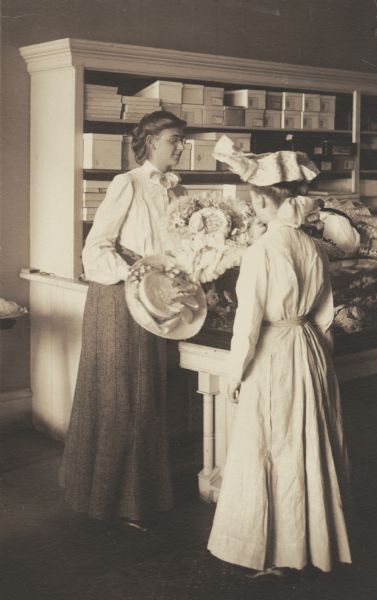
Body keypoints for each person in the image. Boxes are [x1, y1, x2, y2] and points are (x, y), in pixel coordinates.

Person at [207, 137, 352, 576]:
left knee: (270, 445)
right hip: (308, 349)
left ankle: (272, 549)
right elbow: (325, 316)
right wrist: (318, 359)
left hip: (273, 352)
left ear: (261, 201)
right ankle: (310, 545)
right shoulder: (312, 247)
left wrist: (235, 373)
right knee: (308, 443)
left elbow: (248, 324)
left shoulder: (261, 252)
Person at [59, 111, 187, 525]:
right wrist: (133, 276)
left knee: (146, 396)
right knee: (121, 397)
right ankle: (112, 500)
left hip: (152, 298)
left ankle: (139, 497)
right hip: (117, 298)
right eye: (173, 140)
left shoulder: (176, 190)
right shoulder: (126, 184)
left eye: (182, 141)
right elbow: (96, 247)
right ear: (149, 142)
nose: (181, 147)